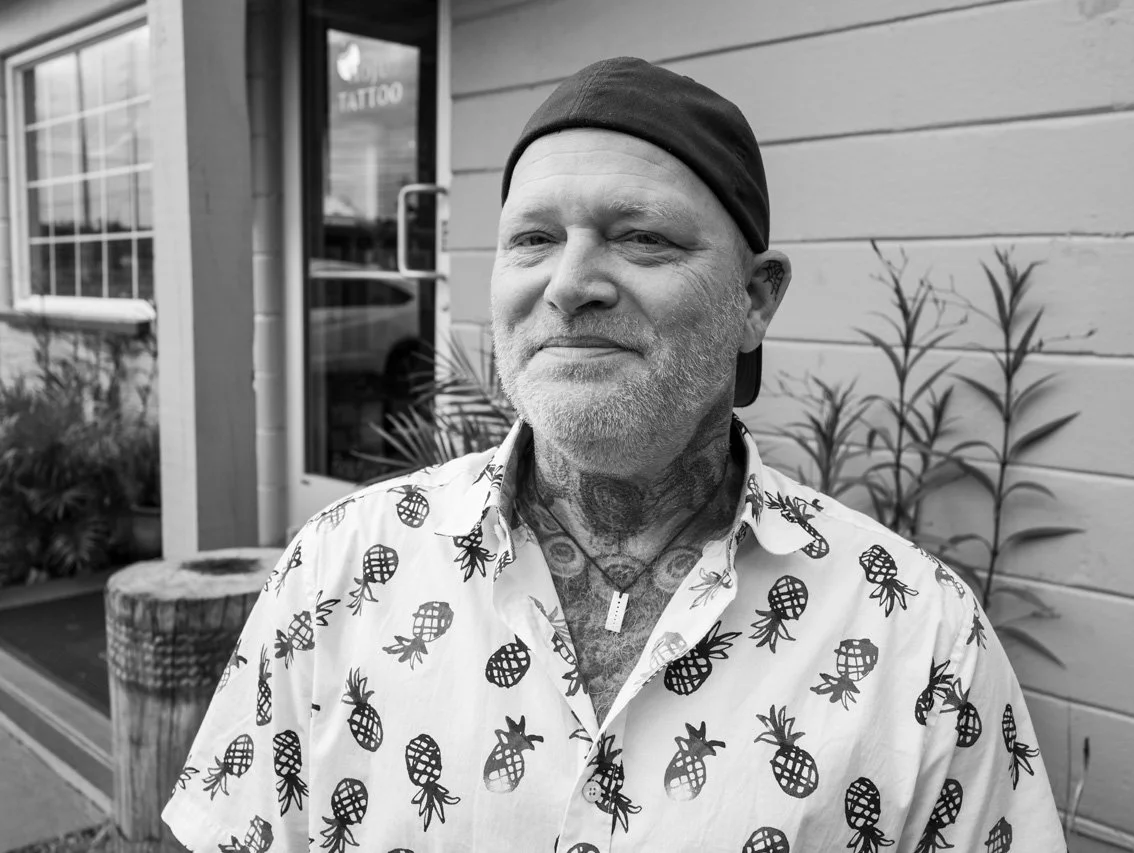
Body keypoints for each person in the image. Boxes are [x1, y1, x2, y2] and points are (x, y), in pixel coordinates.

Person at [163, 57, 1067, 852]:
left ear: (756, 299)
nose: (569, 284)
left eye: (642, 237)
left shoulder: (920, 637)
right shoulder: (338, 573)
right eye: (533, 239)